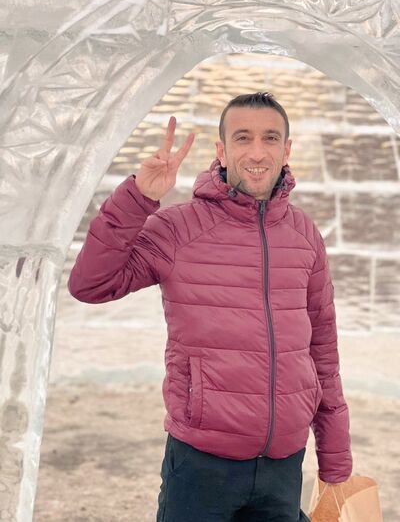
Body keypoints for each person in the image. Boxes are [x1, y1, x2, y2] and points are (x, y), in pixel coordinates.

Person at [68, 92, 352, 521]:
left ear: (287, 150)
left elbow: (323, 350)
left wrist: (335, 457)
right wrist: (138, 198)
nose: (257, 152)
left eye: (270, 138)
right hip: (201, 465)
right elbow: (90, 284)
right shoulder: (177, 227)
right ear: (221, 150)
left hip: (284, 465)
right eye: (243, 138)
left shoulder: (304, 234)